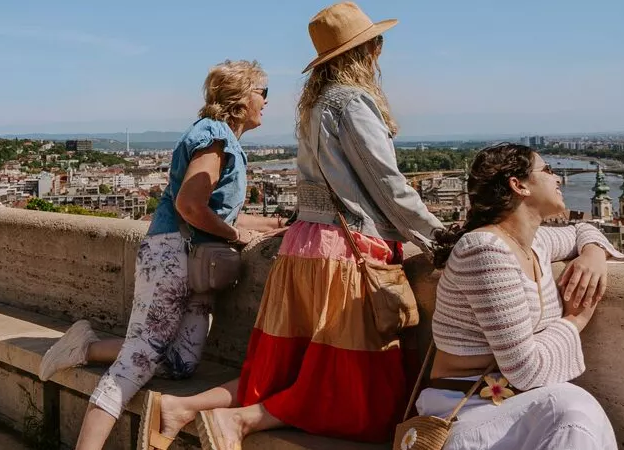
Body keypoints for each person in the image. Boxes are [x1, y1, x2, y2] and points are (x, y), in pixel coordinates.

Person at [187, 2, 447, 447]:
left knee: (288, 372)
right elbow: (386, 182)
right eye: (376, 43)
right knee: (356, 394)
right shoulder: (352, 102)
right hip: (345, 251)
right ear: (370, 51)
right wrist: (440, 239)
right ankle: (240, 422)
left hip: (306, 245)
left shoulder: (315, 105)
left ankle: (180, 408)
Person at [34, 59, 283, 450]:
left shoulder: (224, 140)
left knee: (182, 362)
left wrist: (272, 227)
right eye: (262, 91)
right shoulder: (213, 136)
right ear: (239, 97)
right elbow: (189, 205)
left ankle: (84, 347)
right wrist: (236, 233)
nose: (267, 101)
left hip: (194, 258)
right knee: (139, 359)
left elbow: (215, 208)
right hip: (173, 254)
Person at [414, 143, 624, 449]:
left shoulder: (535, 242)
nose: (558, 178)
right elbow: (526, 370)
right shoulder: (485, 250)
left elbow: (583, 229)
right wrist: (575, 319)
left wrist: (593, 254)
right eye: (547, 170)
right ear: (519, 186)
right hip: (467, 406)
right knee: (571, 408)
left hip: (510, 404)